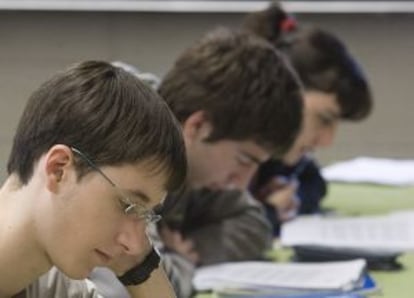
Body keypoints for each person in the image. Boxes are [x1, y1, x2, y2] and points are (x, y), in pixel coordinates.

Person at [90, 28, 304, 298]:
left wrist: (187, 248)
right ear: (198, 126)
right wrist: (183, 262)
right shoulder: (126, 134)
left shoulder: (189, 161)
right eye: (243, 160)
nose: (242, 181)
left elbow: (254, 224)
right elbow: (133, 284)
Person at [0, 60, 187, 298]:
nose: (134, 244)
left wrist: (140, 266)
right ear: (59, 169)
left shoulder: (55, 288)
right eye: (127, 206)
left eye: (145, 216)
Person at [243, 3, 373, 235]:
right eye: (323, 119)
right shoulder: (228, 145)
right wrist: (270, 212)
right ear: (282, 92)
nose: (327, 141)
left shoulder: (276, 159)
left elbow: (314, 182)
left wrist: (291, 196)